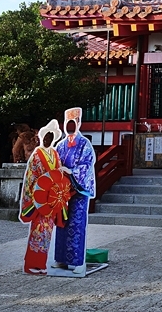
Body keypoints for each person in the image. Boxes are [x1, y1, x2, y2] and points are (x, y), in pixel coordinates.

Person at [50, 107, 96, 276]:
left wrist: (71, 171)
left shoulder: (85, 144)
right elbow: (54, 163)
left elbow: (87, 165)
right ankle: (61, 259)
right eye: (67, 123)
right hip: (62, 191)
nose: (70, 126)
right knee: (62, 223)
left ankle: (77, 261)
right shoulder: (60, 145)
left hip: (78, 190)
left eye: (72, 123)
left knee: (77, 224)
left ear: (78, 124)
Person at [19, 119, 66, 274]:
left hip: (50, 201)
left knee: (46, 234)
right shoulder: (36, 155)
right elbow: (30, 178)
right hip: (39, 200)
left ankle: (41, 264)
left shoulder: (55, 154)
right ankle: (31, 264)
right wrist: (36, 195)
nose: (49, 140)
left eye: (51, 137)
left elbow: (58, 175)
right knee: (37, 232)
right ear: (42, 137)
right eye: (47, 137)